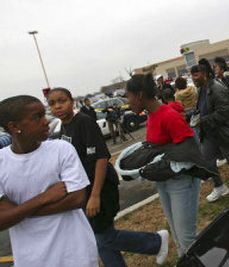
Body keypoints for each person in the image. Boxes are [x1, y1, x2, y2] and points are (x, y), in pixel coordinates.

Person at [47, 88, 169, 266]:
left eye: (62, 101)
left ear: (72, 101)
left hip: (100, 187)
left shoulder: (83, 122)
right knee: (100, 239)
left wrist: (95, 196)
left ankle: (155, 242)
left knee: (104, 238)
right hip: (85, 188)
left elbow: (102, 157)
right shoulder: (64, 126)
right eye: (52, 103)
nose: (57, 106)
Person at [0, 95, 98, 267]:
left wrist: (17, 212)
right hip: (31, 260)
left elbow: (77, 199)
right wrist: (44, 197)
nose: (46, 121)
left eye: (44, 115)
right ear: (14, 127)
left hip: (75, 254)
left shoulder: (62, 149)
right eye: (37, 117)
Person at [125, 74, 201, 258]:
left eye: (129, 96)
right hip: (164, 181)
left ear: (140, 95)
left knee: (187, 238)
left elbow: (192, 150)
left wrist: (162, 160)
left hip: (181, 182)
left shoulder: (168, 115)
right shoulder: (152, 116)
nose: (128, 102)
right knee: (177, 234)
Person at [191, 64, 229, 202]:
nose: (193, 78)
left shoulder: (217, 89)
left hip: (224, 131)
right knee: (207, 161)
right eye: (192, 75)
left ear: (205, 74)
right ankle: (219, 186)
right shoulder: (202, 89)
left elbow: (223, 113)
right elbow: (203, 108)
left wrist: (202, 120)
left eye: (196, 75)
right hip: (210, 132)